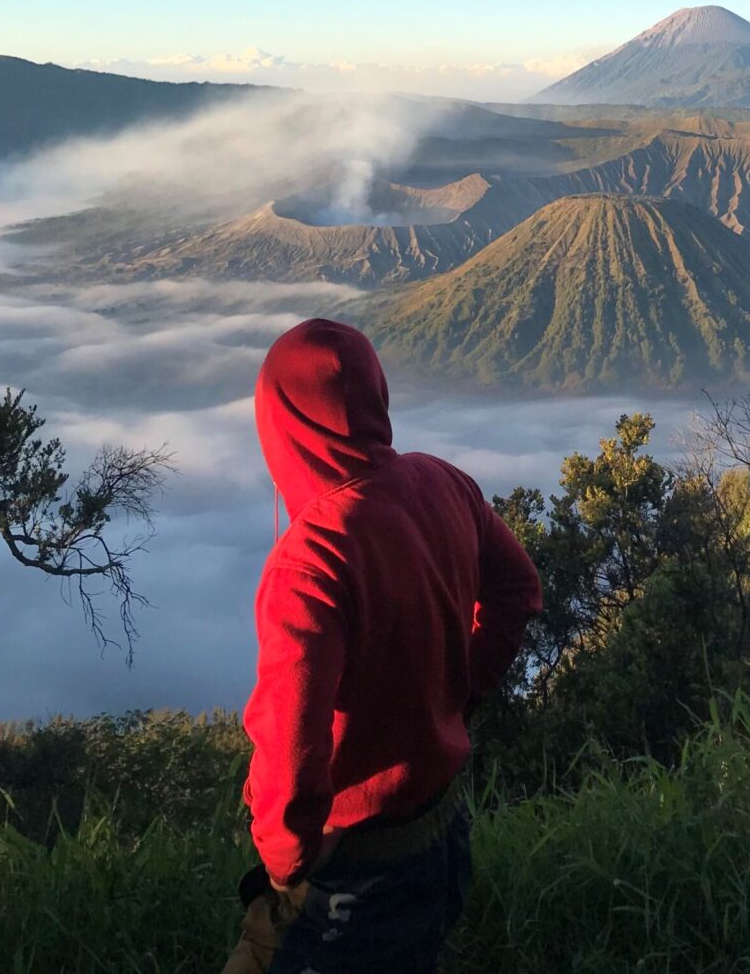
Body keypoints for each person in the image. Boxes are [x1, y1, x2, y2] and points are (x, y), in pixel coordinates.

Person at [223, 318, 542, 974]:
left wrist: (285, 865)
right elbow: (518, 589)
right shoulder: (443, 483)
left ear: (279, 425)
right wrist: (467, 690)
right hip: (442, 835)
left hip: (349, 879)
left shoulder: (310, 564)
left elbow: (292, 747)